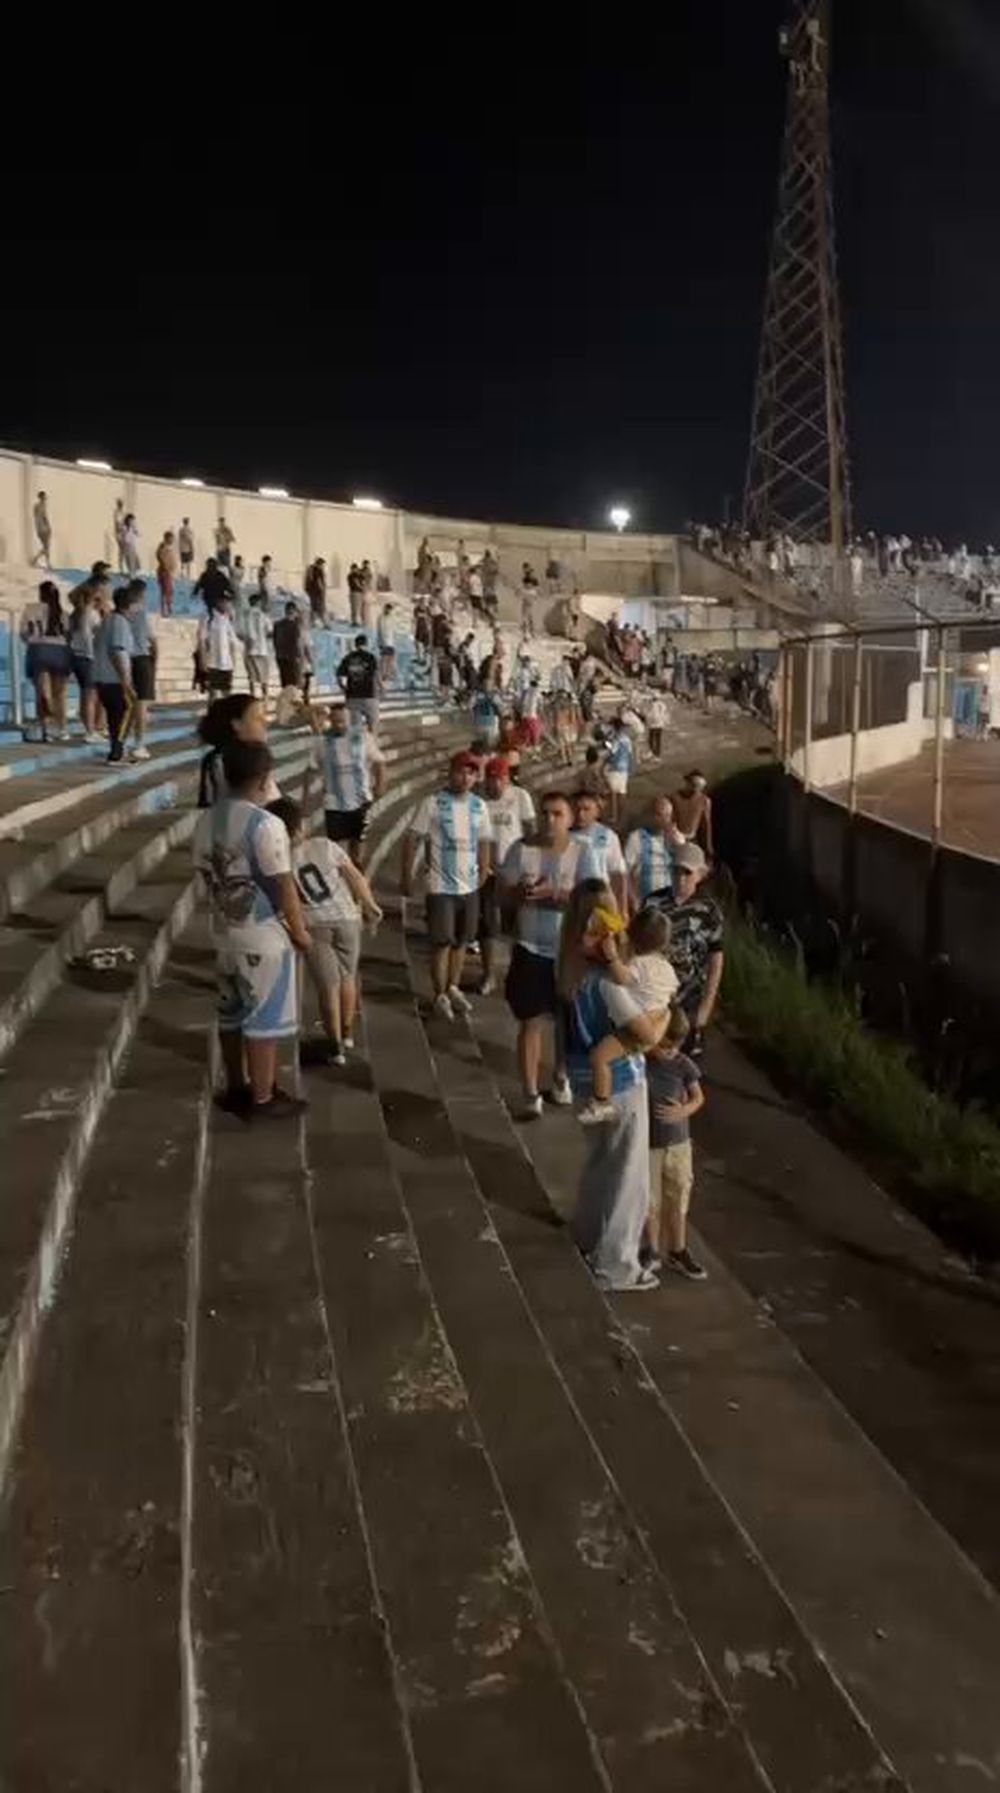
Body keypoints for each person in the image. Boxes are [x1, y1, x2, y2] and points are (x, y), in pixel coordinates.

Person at [192, 739, 309, 1119]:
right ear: (263, 779)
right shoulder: (266, 824)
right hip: (261, 935)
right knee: (263, 1019)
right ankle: (263, 1095)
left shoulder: (206, 820)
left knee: (231, 1014)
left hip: (224, 930)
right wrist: (300, 931)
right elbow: (283, 884)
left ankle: (236, 1085)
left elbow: (202, 874)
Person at [559, 881, 662, 1291]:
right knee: (627, 1178)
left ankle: (586, 1237)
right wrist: (660, 1019)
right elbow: (644, 1034)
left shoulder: (567, 970)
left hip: (585, 1083)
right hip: (621, 1086)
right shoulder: (606, 983)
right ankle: (616, 1266)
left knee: (599, 1165)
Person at [497, 791, 594, 1117]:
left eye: (557, 814)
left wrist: (556, 893)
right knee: (530, 1021)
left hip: (568, 952)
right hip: (529, 947)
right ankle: (529, 1092)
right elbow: (501, 895)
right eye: (545, 813)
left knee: (565, 1022)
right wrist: (519, 892)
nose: (550, 820)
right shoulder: (521, 849)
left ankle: (561, 1075)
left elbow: (594, 900)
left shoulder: (583, 853)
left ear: (569, 819)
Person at [269, 796, 382, 1064]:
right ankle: (347, 1032)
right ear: (301, 827)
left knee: (327, 987)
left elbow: (285, 901)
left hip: (314, 923)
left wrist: (290, 927)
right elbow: (354, 876)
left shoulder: (281, 863)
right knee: (348, 977)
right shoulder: (326, 846)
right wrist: (370, 905)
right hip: (346, 918)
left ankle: (335, 1047)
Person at [401, 751, 492, 1020]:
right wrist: (406, 875)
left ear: (476, 777)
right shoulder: (432, 803)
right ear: (450, 772)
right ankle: (439, 992)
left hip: (470, 885)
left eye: (471, 773)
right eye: (461, 772)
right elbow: (412, 838)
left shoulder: (479, 806)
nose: (465, 778)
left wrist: (484, 868)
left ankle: (452, 986)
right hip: (441, 885)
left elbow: (485, 839)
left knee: (462, 941)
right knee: (442, 941)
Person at [576, 907, 678, 1124]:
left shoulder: (637, 966)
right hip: (657, 1016)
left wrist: (613, 958)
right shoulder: (666, 967)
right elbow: (671, 993)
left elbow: (623, 979)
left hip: (637, 1030)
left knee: (599, 1057)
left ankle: (602, 1102)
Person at [646, 1007, 707, 1279]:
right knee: (651, 1199)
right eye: (664, 1045)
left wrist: (684, 1111)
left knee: (678, 1194)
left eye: (675, 1046)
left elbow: (698, 1097)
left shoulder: (683, 1065)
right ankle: (651, 1248)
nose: (669, 1052)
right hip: (649, 1143)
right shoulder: (643, 1061)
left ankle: (678, 1248)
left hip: (678, 1142)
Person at [660, 843, 724, 1058]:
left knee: (687, 1068)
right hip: (658, 998)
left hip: (690, 998)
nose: (680, 878)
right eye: (676, 870)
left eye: (687, 872)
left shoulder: (709, 912)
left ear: (700, 874)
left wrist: (706, 1007)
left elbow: (716, 960)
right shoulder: (653, 904)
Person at [479, 756, 536, 995]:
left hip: (515, 871)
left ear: (506, 779)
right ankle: (489, 974)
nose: (494, 785)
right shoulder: (480, 800)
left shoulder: (520, 797)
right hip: (488, 870)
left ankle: (515, 973)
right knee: (488, 925)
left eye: (498, 779)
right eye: (490, 779)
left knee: (516, 925)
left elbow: (530, 829)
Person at [310, 701, 385, 866]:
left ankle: (358, 877)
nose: (340, 725)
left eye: (343, 721)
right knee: (336, 848)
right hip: (334, 803)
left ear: (349, 719)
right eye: (336, 721)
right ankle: (340, 878)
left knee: (357, 845)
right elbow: (312, 768)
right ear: (330, 720)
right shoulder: (322, 742)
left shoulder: (363, 737)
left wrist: (380, 784)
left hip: (361, 800)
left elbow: (379, 761)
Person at [197, 692, 281, 807]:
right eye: (257, 718)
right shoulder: (222, 761)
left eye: (264, 717)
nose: (265, 723)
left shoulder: (256, 755)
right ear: (237, 724)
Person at [20, 580, 71, 742]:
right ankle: (62, 728)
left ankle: (46, 728)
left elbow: (24, 634)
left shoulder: (31, 609)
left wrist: (31, 640)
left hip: (38, 650)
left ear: (41, 594)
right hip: (60, 652)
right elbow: (69, 636)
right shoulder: (63, 613)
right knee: (60, 694)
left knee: (43, 692)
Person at [92, 585, 137, 763]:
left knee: (114, 716)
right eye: (136, 605)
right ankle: (117, 751)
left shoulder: (109, 620)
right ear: (129, 605)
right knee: (128, 712)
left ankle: (116, 750)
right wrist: (126, 681)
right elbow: (117, 651)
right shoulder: (119, 622)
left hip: (103, 677)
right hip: (114, 679)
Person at [572, 790, 627, 915]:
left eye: (586, 809)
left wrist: (623, 909)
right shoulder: (565, 836)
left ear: (597, 811)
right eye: (577, 809)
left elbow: (618, 873)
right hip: (576, 900)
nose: (581, 814)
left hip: (603, 899)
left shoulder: (608, 836)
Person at [625, 795, 686, 909]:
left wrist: (677, 845)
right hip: (645, 902)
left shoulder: (678, 838)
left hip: (672, 902)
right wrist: (632, 899)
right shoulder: (636, 837)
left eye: (667, 815)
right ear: (650, 815)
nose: (664, 819)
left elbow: (687, 872)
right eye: (659, 815)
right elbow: (625, 872)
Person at [68, 575, 103, 741]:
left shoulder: (75, 614)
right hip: (88, 657)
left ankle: (88, 728)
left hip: (76, 657)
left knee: (85, 694)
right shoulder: (92, 614)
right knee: (91, 696)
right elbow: (94, 636)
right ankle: (90, 730)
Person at [125, 577, 156, 761]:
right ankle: (139, 742)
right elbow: (151, 639)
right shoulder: (141, 613)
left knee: (131, 702)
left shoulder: (123, 613)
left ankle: (128, 739)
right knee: (142, 703)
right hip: (141, 658)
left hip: (126, 659)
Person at [337, 632, 381, 731]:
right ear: (366, 644)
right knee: (373, 726)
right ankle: (372, 744)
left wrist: (344, 688)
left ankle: (358, 746)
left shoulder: (348, 658)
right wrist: (381, 687)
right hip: (369, 695)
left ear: (355, 645)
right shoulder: (371, 657)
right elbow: (376, 674)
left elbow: (339, 676)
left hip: (352, 696)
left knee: (355, 730)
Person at [673, 770, 714, 857]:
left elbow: (706, 825)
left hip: (692, 839)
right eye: (693, 785)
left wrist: (708, 846)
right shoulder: (674, 798)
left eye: (698, 787)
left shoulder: (704, 801)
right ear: (687, 782)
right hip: (675, 838)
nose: (695, 789)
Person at [205, 597, 239, 699]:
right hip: (213, 663)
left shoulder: (228, 620)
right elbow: (204, 641)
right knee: (213, 693)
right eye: (225, 602)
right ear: (218, 602)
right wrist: (204, 660)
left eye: (229, 603)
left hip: (227, 664)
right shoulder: (209, 618)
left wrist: (233, 662)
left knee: (227, 692)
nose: (228, 605)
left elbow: (232, 643)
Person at [603, 717, 634, 827]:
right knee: (622, 794)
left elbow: (612, 753)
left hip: (614, 769)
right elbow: (630, 755)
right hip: (624, 769)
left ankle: (613, 816)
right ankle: (622, 818)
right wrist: (631, 767)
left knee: (612, 795)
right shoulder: (627, 739)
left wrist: (606, 744)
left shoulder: (615, 739)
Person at [273, 600, 306, 693]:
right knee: (295, 682)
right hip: (293, 657)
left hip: (281, 656)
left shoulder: (277, 624)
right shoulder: (296, 626)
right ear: (294, 611)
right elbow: (298, 642)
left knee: (285, 682)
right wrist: (302, 658)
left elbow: (275, 642)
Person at [243, 592, 271, 698]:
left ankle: (252, 695)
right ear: (258, 603)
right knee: (264, 677)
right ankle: (265, 696)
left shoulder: (245, 615)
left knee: (252, 677)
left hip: (250, 651)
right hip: (262, 650)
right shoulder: (263, 616)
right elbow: (269, 631)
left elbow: (242, 632)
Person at [156, 530, 179, 616]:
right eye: (171, 539)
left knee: (169, 591)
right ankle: (165, 610)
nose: (172, 540)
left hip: (169, 572)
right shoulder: (163, 547)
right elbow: (159, 556)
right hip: (165, 572)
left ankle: (168, 608)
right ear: (167, 538)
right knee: (166, 591)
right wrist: (165, 567)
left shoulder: (168, 547)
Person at [304, 557, 328, 626]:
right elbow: (319, 582)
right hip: (317, 592)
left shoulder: (313, 569)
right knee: (320, 608)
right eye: (323, 565)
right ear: (320, 564)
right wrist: (322, 590)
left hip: (312, 592)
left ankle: (313, 622)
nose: (323, 566)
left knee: (313, 607)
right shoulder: (318, 570)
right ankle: (324, 623)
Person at [377, 601, 397, 683]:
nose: (388, 610)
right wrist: (380, 643)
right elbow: (380, 630)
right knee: (384, 659)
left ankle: (388, 674)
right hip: (384, 642)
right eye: (387, 608)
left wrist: (394, 641)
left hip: (391, 642)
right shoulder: (381, 618)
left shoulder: (392, 618)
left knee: (390, 658)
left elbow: (393, 630)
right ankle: (383, 674)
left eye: (390, 609)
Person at [32, 491, 52, 568]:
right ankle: (36, 559)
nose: (45, 499)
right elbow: (44, 518)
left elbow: (37, 518)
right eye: (44, 497)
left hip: (40, 528)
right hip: (43, 529)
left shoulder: (37, 506)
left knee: (46, 546)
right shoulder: (40, 506)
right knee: (46, 547)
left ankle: (46, 562)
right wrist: (48, 527)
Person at [646, 690, 668, 758]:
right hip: (654, 724)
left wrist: (663, 720)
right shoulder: (655, 704)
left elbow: (663, 713)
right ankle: (654, 752)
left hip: (656, 724)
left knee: (654, 739)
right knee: (653, 739)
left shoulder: (659, 705)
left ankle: (655, 753)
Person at [113, 499, 127, 574]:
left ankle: (122, 567)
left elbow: (124, 523)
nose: (121, 505)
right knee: (121, 550)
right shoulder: (117, 512)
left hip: (123, 533)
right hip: (119, 534)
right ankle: (121, 568)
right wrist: (120, 529)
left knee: (123, 551)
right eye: (120, 504)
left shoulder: (123, 512)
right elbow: (117, 523)